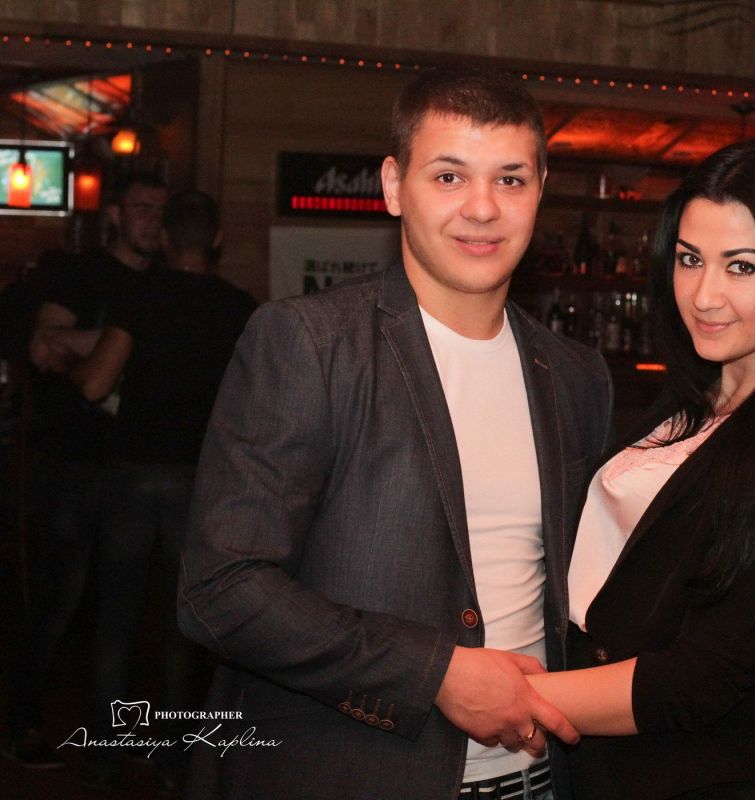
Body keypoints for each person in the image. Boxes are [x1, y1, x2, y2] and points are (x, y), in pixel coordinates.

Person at [177, 68, 611, 800]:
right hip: (350, 776)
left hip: (537, 778)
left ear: (541, 188)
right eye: (449, 176)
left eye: (510, 180)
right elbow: (221, 589)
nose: (483, 208)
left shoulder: (575, 375)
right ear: (392, 185)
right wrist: (435, 673)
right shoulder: (309, 344)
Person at [512, 139, 755, 799]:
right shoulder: (695, 399)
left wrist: (510, 698)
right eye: (690, 260)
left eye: (741, 267)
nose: (704, 296)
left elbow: (695, 680)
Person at [68, 190, 257, 791]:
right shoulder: (240, 309)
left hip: (131, 473)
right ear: (216, 239)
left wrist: (66, 362)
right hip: (201, 480)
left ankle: (104, 752)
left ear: (167, 237)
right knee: (185, 624)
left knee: (116, 617)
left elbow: (95, 384)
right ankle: (177, 761)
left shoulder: (142, 294)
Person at [4, 172, 167, 768]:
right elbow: (43, 345)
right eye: (142, 208)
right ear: (115, 216)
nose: (153, 220)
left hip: (138, 466)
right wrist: (127, 339)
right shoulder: (79, 273)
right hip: (74, 461)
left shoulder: (167, 284)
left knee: (126, 610)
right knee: (56, 601)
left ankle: (110, 735)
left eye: (161, 211)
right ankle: (20, 723)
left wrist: (94, 344)